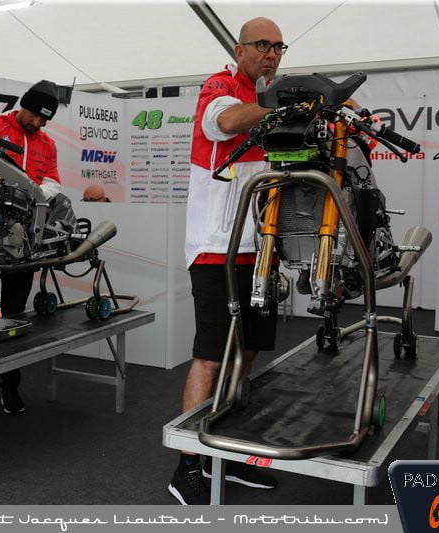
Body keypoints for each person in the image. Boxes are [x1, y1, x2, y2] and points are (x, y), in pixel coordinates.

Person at [169, 17, 286, 505]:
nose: (271, 53)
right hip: (216, 247)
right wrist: (279, 104)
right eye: (262, 45)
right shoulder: (221, 86)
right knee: (211, 356)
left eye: (278, 47)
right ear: (239, 50)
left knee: (249, 353)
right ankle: (187, 466)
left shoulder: (272, 97)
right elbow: (223, 122)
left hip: (260, 250)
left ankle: (229, 451)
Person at [0, 79, 62, 414]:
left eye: (45, 119)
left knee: (14, 315)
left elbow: (52, 182)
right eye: (37, 116)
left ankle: (9, 388)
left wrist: (33, 195)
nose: (40, 123)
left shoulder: (47, 144)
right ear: (25, 106)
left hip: (24, 243)